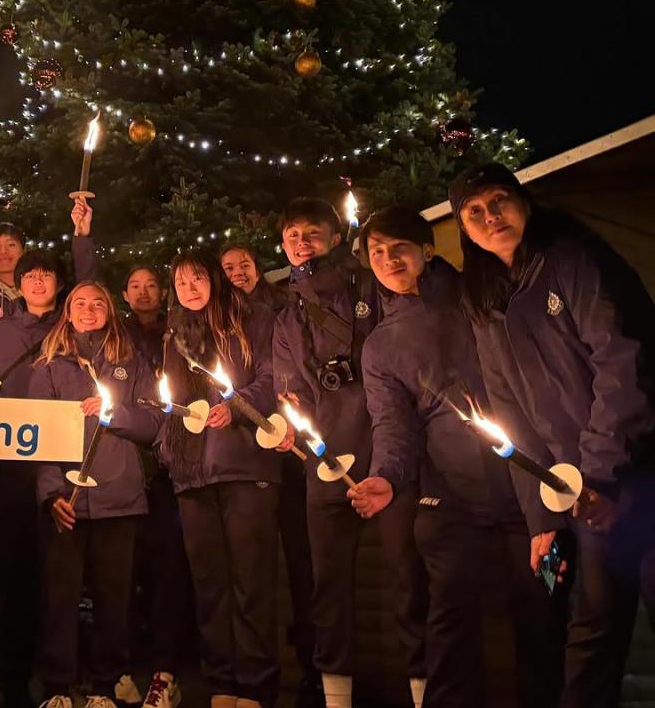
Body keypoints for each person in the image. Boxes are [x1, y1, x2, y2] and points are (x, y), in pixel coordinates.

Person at [451, 162, 655, 708]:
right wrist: (543, 516)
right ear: (464, 229)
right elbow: (511, 411)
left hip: (635, 470)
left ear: (524, 202)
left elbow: (624, 361)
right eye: (475, 212)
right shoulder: (486, 302)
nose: (490, 216)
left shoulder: (572, 259)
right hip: (584, 495)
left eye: (499, 200)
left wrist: (600, 475)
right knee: (592, 633)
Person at [348, 206, 564, 707]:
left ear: (426, 248)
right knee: (449, 628)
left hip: (529, 496)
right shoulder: (380, 345)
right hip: (448, 503)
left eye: (398, 246)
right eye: (376, 253)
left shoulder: (480, 295)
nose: (387, 259)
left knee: (544, 616)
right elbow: (393, 425)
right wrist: (386, 475)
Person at [272, 197, 426, 708]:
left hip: (389, 456)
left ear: (337, 238)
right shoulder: (287, 315)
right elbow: (291, 389)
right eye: (292, 236)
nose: (301, 244)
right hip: (327, 466)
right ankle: (337, 696)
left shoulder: (374, 285)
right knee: (329, 590)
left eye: (311, 234)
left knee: (408, 578)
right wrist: (290, 415)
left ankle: (425, 690)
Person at [0, 200, 97, 708]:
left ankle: (46, 677)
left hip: (56, 466)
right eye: (29, 275)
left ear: (58, 284)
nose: (37, 281)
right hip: (0, 464)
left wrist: (81, 238)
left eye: (45, 275)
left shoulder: (70, 328)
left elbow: (92, 287)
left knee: (49, 575)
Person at [29, 281, 161, 708]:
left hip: (118, 497)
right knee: (60, 596)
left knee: (113, 597)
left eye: (98, 303)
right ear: (67, 312)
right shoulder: (50, 364)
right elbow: (38, 434)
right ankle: (57, 686)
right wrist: (52, 494)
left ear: (110, 309)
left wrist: (114, 414)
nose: (89, 310)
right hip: (67, 500)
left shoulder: (129, 359)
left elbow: (151, 424)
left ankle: (104, 685)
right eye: (80, 303)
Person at [160, 250, 280, 708]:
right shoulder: (175, 337)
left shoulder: (251, 320)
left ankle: (256, 685)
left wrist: (237, 407)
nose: (189, 289)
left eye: (198, 279)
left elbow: (272, 377)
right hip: (193, 475)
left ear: (215, 280)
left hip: (247, 467)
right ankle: (224, 682)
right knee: (211, 585)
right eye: (181, 282)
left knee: (251, 581)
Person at [219, 243, 316, 706]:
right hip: (246, 454)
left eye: (244, 265)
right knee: (253, 569)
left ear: (258, 267)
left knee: (302, 559)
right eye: (228, 268)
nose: (238, 273)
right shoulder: (218, 316)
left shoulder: (281, 307)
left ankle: (313, 667)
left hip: (290, 447)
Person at [120, 265, 195, 708]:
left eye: (151, 285)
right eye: (135, 286)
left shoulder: (178, 331)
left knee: (169, 569)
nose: (144, 293)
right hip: (130, 463)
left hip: (173, 465)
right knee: (127, 569)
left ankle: (167, 670)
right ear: (124, 294)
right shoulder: (120, 336)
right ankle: (123, 666)